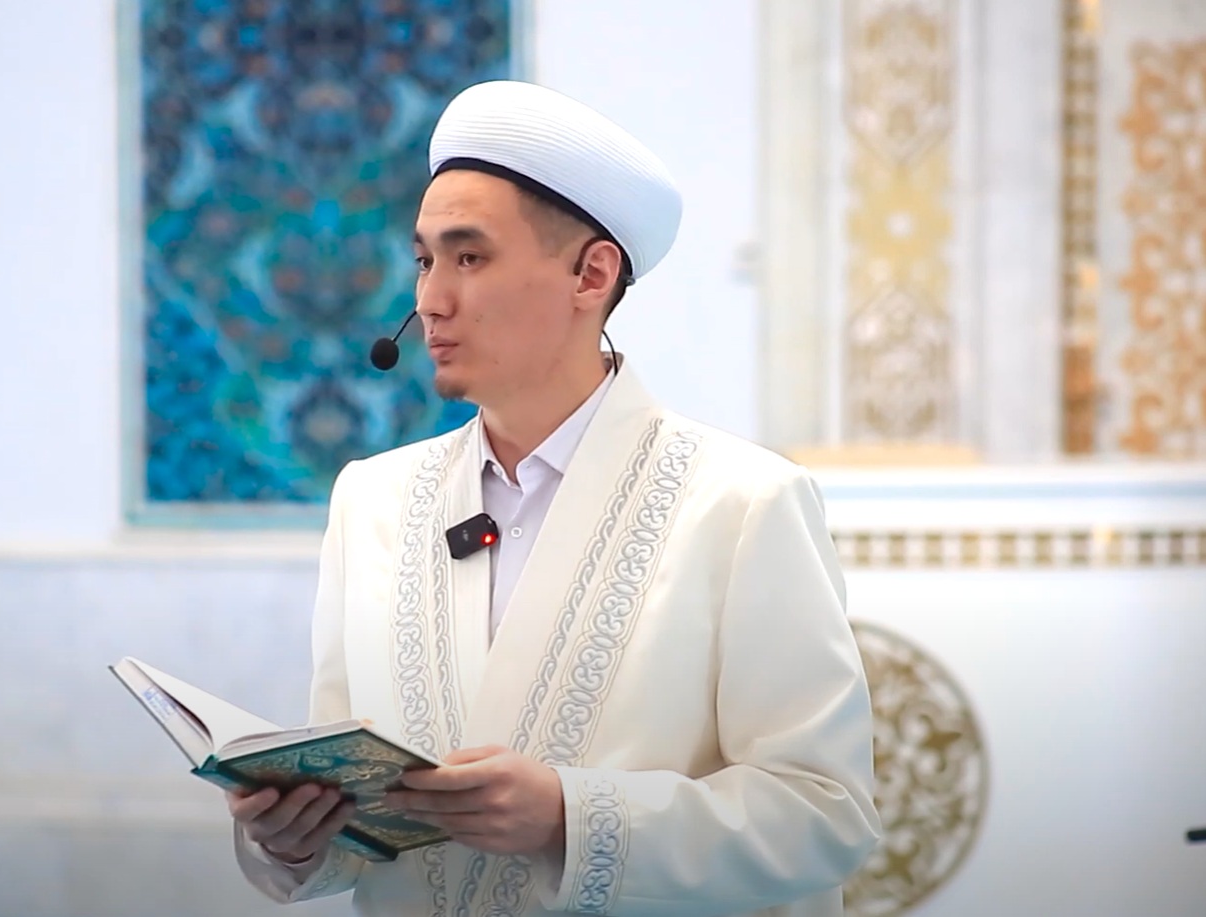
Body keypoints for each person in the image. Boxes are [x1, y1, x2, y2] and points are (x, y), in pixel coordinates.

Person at [226, 79, 881, 917]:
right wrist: (293, 837)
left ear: (589, 272)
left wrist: (571, 817)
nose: (429, 300)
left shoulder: (743, 503)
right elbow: (352, 809)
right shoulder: (372, 500)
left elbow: (823, 815)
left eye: (469, 257)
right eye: (424, 260)